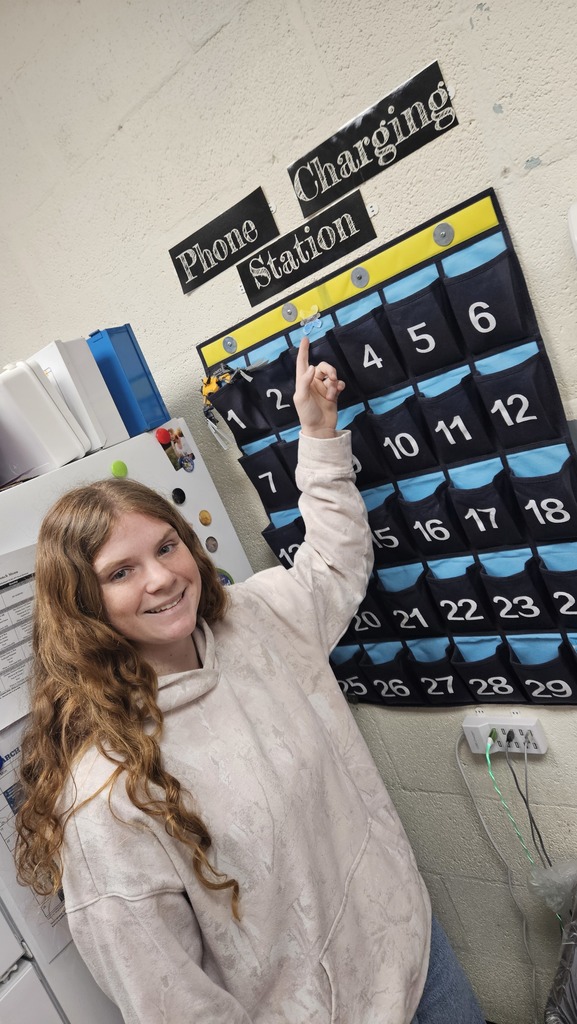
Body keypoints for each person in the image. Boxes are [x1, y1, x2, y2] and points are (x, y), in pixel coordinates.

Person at [15, 339, 485, 1024]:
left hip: (414, 954)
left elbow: (332, 565)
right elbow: (172, 1003)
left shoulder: (253, 621)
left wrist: (318, 436)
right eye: (120, 572)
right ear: (84, 606)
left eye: (167, 546)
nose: (160, 577)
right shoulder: (108, 797)